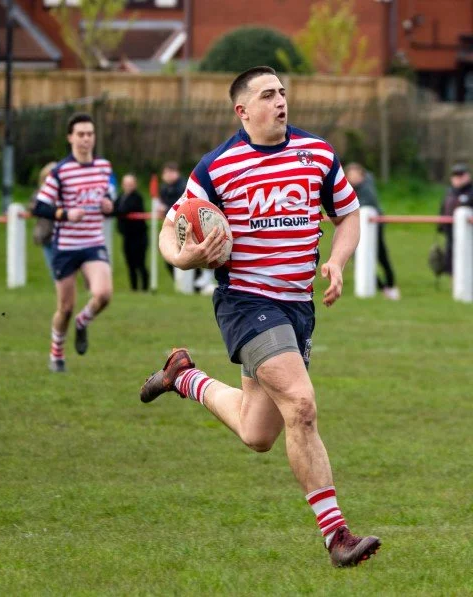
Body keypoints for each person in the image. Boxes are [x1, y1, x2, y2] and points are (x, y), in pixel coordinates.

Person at [139, 66, 381, 567]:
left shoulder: (317, 154)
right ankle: (337, 537)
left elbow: (349, 213)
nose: (280, 101)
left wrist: (337, 260)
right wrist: (184, 257)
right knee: (301, 404)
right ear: (242, 110)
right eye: (268, 95)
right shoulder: (216, 167)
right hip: (246, 303)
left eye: (282, 92)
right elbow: (170, 226)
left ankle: (183, 377)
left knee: (258, 433)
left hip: (297, 307)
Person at [32, 112, 114, 373]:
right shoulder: (60, 172)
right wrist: (65, 214)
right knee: (65, 308)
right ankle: (56, 353)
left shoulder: (104, 167)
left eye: (89, 134)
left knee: (103, 294)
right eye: (80, 134)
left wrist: (108, 204)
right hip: (66, 246)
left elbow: (108, 198)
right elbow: (40, 207)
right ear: (70, 138)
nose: (85, 139)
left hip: (93, 243)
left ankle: (83, 321)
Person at [345, 162, 400, 300]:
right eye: (351, 175)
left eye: (356, 175)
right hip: (356, 229)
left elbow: (365, 206)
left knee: (381, 256)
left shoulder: (366, 189)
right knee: (359, 259)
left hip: (374, 228)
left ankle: (390, 285)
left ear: (362, 176)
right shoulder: (348, 189)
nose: (353, 178)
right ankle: (382, 287)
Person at [159, 161, 215, 293]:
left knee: (196, 253)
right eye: (165, 173)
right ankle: (191, 284)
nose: (167, 175)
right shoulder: (164, 188)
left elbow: (187, 206)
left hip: (189, 226)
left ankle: (200, 283)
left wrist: (166, 210)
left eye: (170, 172)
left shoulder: (184, 186)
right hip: (173, 225)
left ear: (176, 173)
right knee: (172, 256)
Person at [114, 173, 149, 291]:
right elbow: (115, 209)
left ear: (135, 185)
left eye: (130, 184)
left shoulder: (137, 198)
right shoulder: (121, 197)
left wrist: (117, 211)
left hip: (139, 236)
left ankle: (144, 288)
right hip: (127, 236)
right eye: (126, 184)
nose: (128, 186)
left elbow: (125, 210)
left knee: (140, 263)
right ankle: (133, 288)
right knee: (130, 264)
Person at [438, 162, 473, 275]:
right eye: (455, 175)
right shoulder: (449, 191)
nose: (458, 178)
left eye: (461, 175)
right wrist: (440, 225)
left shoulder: (471, 192)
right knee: (451, 257)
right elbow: (443, 208)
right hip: (450, 230)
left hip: (468, 232)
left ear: (468, 176)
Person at [28, 161, 57, 277]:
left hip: (64, 235)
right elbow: (33, 208)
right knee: (54, 269)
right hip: (46, 234)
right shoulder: (39, 194)